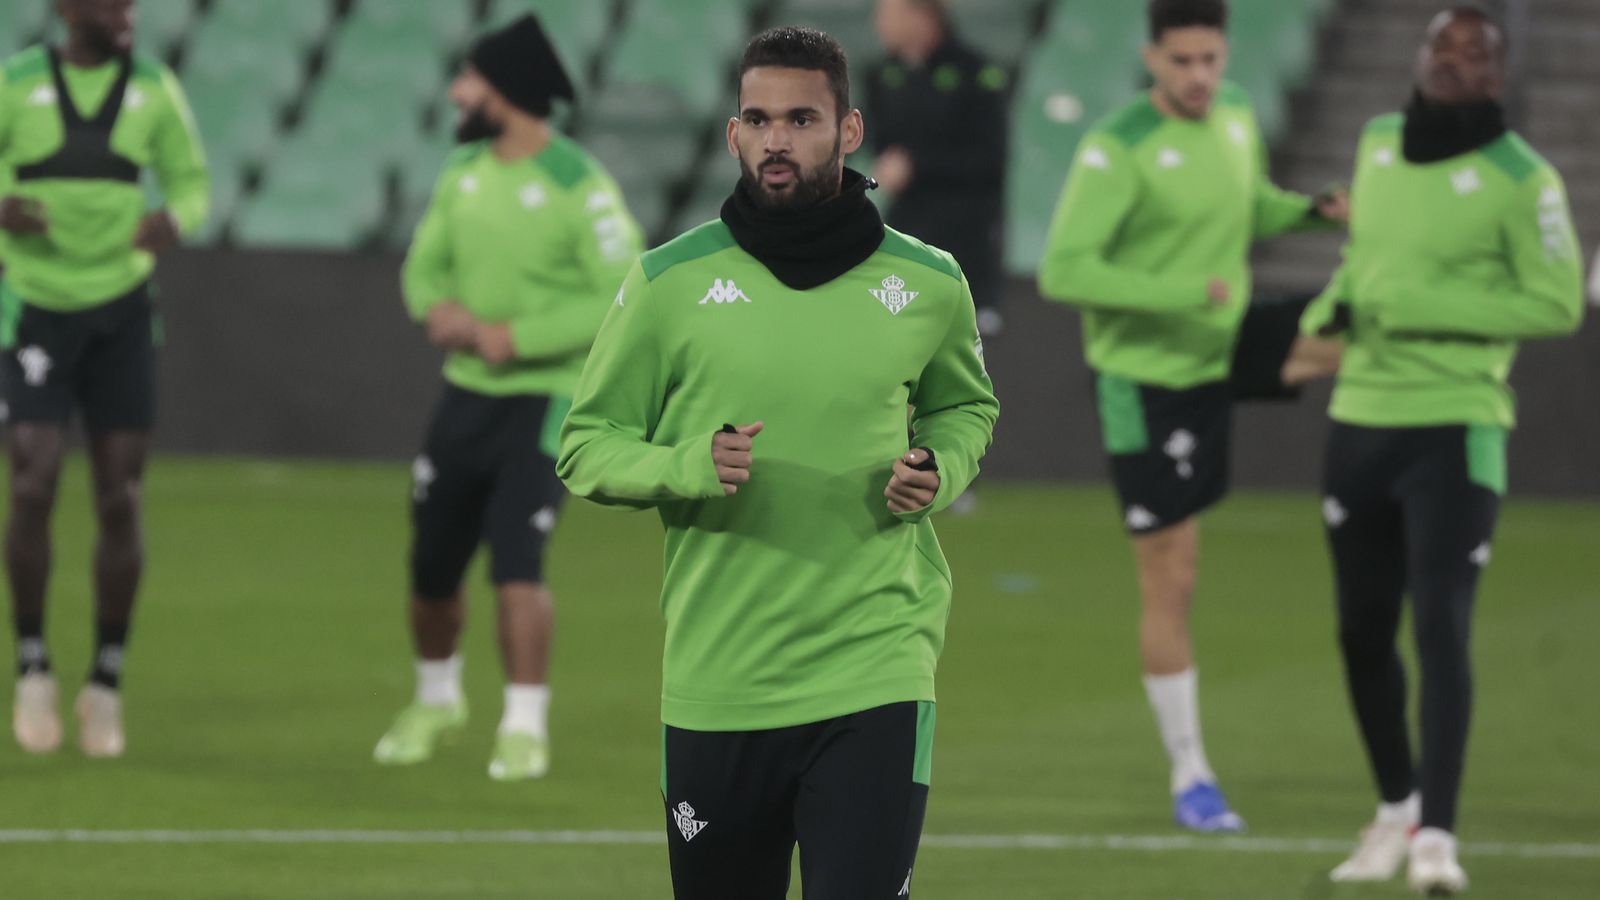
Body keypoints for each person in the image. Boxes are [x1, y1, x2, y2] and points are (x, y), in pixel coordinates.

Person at [557, 26, 997, 899]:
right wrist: (686, 465)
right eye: (757, 120)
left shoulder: (930, 283)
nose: (776, 139)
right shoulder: (667, 283)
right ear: (733, 135)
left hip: (876, 662)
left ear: (849, 130)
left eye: (801, 119)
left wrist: (937, 466)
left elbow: (964, 407)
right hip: (721, 678)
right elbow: (585, 444)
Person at [1036, 0, 1346, 832]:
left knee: (1361, 336)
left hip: (1226, 333)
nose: (1201, 77)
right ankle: (1191, 773)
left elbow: (1250, 205)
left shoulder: (1238, 111)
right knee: (1173, 578)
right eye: (1183, 62)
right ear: (1151, 59)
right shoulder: (1117, 148)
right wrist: (1183, 293)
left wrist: (1311, 210)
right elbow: (1065, 269)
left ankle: (1416, 488)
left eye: (1211, 59)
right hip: (1149, 380)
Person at [1303, 7, 1584, 893]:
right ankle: (1394, 809)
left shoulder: (1523, 178)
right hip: (1361, 415)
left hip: (1460, 423)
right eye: (1443, 47)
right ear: (1420, 57)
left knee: (1441, 623)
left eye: (1477, 53)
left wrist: (1419, 311)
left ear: (1499, 76)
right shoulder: (1381, 141)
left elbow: (1557, 304)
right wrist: (1333, 304)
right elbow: (1368, 258)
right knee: (1359, 631)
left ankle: (1439, 836)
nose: (1456, 62)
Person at [374, 14, 642, 782]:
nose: (457, 93)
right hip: (464, 399)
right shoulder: (461, 174)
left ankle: (524, 722)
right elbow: (423, 268)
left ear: (508, 91)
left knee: (517, 563)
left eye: (471, 80)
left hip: (545, 400)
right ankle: (436, 699)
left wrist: (514, 336)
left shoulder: (578, 183)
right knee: (430, 566)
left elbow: (622, 294)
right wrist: (438, 311)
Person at [0, 0, 207, 758]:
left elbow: (190, 181)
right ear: (65, 9)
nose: (129, 13)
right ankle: (32, 666)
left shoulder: (155, 88)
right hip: (33, 307)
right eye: (112, 2)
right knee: (32, 479)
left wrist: (174, 220)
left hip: (121, 309)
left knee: (120, 491)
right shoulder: (16, 82)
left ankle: (106, 681)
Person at [868, 0, 1009, 337]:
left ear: (923, 14)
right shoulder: (882, 74)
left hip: (966, 236)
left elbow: (989, 160)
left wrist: (916, 166)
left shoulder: (977, 73)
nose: (880, 22)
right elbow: (882, 143)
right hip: (907, 228)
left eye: (890, 12)